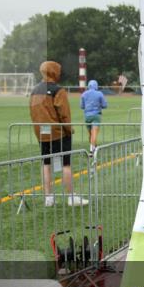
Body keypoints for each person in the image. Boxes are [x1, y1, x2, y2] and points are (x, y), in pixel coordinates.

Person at [29, 61, 87, 207]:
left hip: (41, 132)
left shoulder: (35, 90)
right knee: (65, 164)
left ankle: (49, 197)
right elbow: (64, 114)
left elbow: (33, 113)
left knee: (46, 163)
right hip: (58, 132)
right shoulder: (58, 90)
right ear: (54, 72)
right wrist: (69, 129)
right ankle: (71, 197)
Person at [80, 79, 108, 154]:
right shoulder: (99, 93)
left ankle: (93, 146)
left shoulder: (84, 94)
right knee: (94, 133)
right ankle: (92, 150)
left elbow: (82, 106)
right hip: (96, 115)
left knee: (90, 134)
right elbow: (104, 105)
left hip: (87, 116)